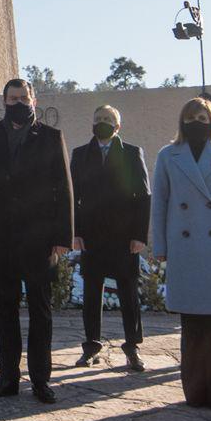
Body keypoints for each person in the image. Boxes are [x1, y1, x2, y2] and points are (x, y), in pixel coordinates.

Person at [0, 78, 72, 404]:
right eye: (12, 98)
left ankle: (41, 380)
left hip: (40, 240)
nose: (17, 103)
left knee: (41, 312)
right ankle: (7, 378)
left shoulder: (52, 137)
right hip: (1, 238)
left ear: (33, 100)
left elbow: (64, 189)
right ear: (4, 101)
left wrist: (62, 236)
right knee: (6, 311)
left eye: (23, 98)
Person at [149, 97, 211, 410]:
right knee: (192, 326)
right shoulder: (168, 155)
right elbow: (160, 204)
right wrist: (161, 247)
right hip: (184, 247)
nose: (197, 121)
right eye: (191, 116)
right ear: (182, 121)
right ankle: (194, 392)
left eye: (203, 116)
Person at [70, 105, 149, 372]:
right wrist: (75, 232)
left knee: (129, 294)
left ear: (118, 126)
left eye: (108, 120)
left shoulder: (131, 153)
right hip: (92, 237)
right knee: (92, 293)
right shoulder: (80, 155)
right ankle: (91, 346)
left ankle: (132, 347)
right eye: (98, 119)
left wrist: (140, 235)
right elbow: (73, 198)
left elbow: (143, 197)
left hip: (124, 237)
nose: (102, 123)